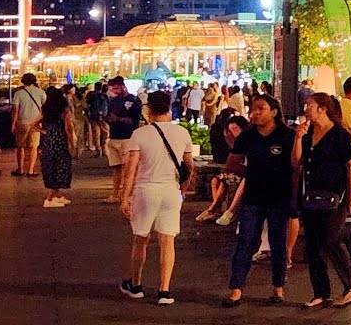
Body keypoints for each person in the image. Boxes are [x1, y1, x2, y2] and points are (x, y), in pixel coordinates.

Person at [118, 90, 195, 306]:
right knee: (167, 241)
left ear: (148, 109)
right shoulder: (182, 133)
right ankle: (164, 290)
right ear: (169, 107)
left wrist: (125, 197)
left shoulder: (140, 134)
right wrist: (182, 190)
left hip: (145, 190)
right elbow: (189, 167)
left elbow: (130, 169)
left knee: (141, 239)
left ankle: (136, 285)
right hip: (170, 191)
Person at [221, 94, 296, 308]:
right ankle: (236, 289)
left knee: (278, 243)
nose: (254, 113)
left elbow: (297, 164)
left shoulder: (287, 135)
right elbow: (232, 162)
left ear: (273, 112)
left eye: (260, 109)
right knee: (245, 242)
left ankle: (277, 288)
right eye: (252, 109)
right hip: (253, 197)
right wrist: (251, 172)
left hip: (279, 197)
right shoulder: (248, 136)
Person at [293, 93, 351, 308]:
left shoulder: (339, 134)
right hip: (311, 195)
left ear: (322, 108)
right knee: (313, 244)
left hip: (335, 196)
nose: (306, 108)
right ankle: (321, 292)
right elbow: (297, 162)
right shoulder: (308, 132)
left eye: (310, 105)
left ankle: (350, 281)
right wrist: (298, 137)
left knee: (330, 237)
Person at [196, 115, 249, 223]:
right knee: (216, 181)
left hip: (241, 174)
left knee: (224, 180)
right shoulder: (235, 143)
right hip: (232, 173)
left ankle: (214, 209)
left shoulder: (247, 142)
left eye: (235, 129)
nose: (233, 132)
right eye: (231, 129)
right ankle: (216, 209)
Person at [33, 87, 75, 207]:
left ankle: (57, 196)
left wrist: (44, 131)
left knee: (51, 167)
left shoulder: (45, 110)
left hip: (48, 141)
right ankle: (49, 198)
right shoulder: (63, 110)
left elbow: (32, 125)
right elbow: (68, 128)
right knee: (61, 167)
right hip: (60, 140)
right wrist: (72, 142)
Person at [105, 76, 143, 203]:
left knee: (128, 168)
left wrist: (119, 119)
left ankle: (128, 194)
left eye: (116, 88)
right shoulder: (112, 101)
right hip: (114, 136)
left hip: (128, 137)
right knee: (116, 168)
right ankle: (115, 194)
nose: (114, 91)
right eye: (112, 89)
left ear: (122, 86)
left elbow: (134, 120)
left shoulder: (133, 100)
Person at [10, 73, 47, 177]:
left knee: (20, 147)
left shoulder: (19, 94)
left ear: (23, 81)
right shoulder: (41, 92)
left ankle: (20, 169)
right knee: (34, 147)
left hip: (22, 122)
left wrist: (13, 125)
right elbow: (45, 107)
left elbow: (15, 111)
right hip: (36, 123)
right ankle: (31, 170)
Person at [61, 83, 87, 159]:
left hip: (77, 118)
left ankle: (76, 153)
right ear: (69, 90)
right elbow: (72, 108)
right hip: (73, 119)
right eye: (73, 88)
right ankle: (71, 153)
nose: (74, 90)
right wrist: (81, 102)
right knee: (73, 137)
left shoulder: (73, 97)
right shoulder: (67, 98)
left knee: (77, 136)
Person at [85, 81, 109, 155]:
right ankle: (103, 149)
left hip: (94, 116)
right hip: (101, 117)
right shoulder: (104, 96)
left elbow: (87, 105)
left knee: (97, 133)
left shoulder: (91, 95)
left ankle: (99, 150)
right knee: (104, 133)